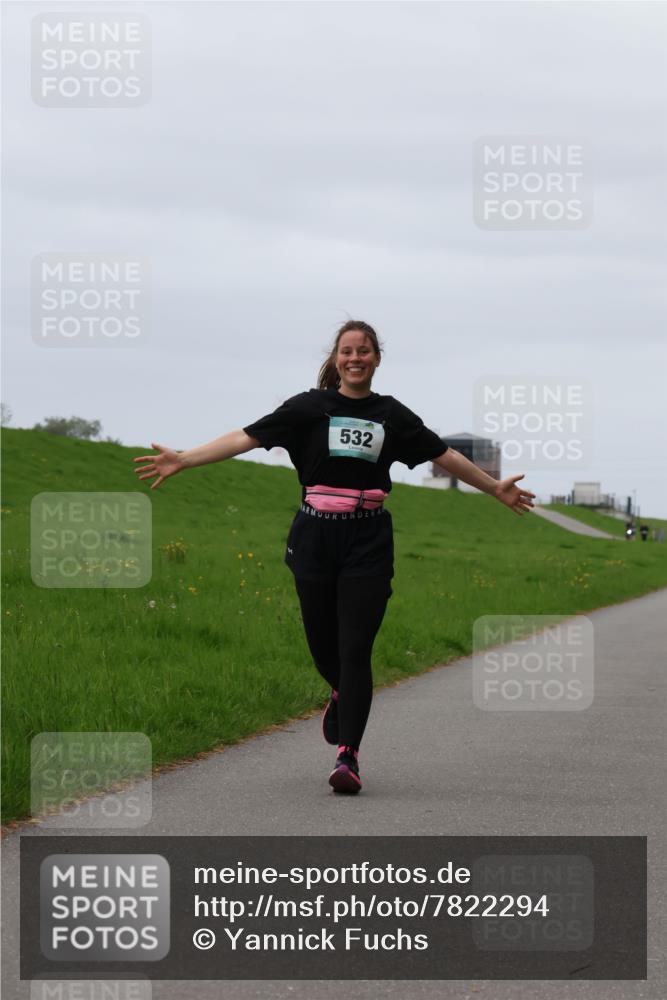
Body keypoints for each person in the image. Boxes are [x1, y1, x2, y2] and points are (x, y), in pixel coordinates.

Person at [133, 320, 535, 795]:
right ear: (337, 358)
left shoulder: (391, 416)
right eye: (347, 351)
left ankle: (348, 756)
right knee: (323, 647)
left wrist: (494, 489)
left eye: (364, 351)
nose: (355, 358)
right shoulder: (308, 407)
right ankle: (341, 694)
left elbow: (443, 454)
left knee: (354, 649)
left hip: (367, 540)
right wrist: (184, 459)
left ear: (376, 359)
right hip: (314, 538)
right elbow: (245, 437)